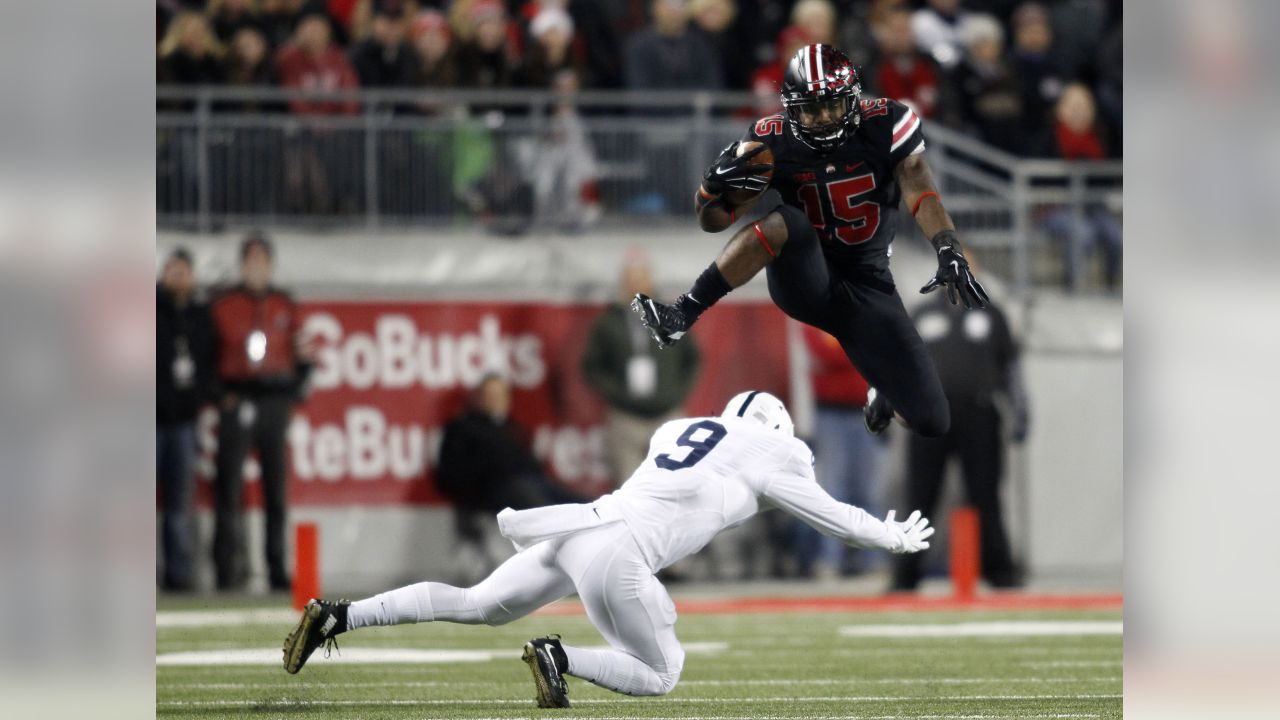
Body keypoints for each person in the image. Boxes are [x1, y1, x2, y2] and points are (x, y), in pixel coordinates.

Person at [283, 391, 936, 708]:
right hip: (620, 553)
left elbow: (714, 478)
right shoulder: (774, 450)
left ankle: (340, 615)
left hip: (579, 528)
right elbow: (831, 517)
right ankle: (558, 658)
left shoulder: (684, 428)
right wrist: (888, 535)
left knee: (477, 602)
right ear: (775, 430)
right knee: (661, 673)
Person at [633, 43, 990, 441]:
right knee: (786, 222)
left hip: (869, 283)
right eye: (810, 108)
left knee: (931, 420)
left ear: (852, 98)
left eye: (831, 106)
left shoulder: (888, 121)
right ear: (791, 106)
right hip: (807, 277)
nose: (821, 118)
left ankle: (884, 393)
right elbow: (714, 221)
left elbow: (920, 188)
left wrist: (947, 246)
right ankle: (684, 312)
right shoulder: (771, 141)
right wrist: (709, 189)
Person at [891, 257, 1028, 591]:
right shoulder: (922, 314)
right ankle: (906, 575)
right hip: (930, 417)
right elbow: (899, 365)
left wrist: (1020, 409)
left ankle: (999, 571)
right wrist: (891, 405)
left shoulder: (990, 314)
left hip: (978, 412)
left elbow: (1010, 368)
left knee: (985, 493)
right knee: (921, 496)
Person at [209, 233, 313, 591]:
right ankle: (227, 569)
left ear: (270, 265)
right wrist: (221, 395)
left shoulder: (285, 305)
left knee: (275, 490)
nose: (256, 268)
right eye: (250, 261)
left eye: (261, 261)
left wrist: (293, 393)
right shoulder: (223, 305)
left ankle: (276, 567)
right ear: (243, 265)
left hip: (273, 401)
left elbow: (305, 355)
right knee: (228, 489)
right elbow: (207, 355)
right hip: (237, 398)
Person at [582, 253, 700, 486]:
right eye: (631, 280)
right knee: (629, 487)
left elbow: (693, 358)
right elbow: (592, 367)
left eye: (640, 279)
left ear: (650, 282)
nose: (636, 286)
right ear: (623, 283)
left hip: (667, 413)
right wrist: (617, 394)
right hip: (626, 417)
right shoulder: (607, 323)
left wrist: (676, 392)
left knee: (674, 482)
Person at [796, 325, 886, 578]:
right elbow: (825, 354)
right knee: (833, 489)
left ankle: (872, 558)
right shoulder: (815, 318)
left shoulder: (863, 313)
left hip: (867, 411)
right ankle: (830, 559)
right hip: (831, 413)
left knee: (868, 491)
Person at [157, 249, 217, 592]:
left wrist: (196, 400)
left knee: (179, 504)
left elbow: (208, 362)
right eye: (173, 271)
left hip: (183, 420)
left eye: (183, 272)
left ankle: (178, 574)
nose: (178, 278)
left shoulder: (198, 314)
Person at [348, 6, 418, 87]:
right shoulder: (359, 55)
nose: (391, 29)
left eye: (396, 23)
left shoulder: (410, 55)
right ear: (373, 24)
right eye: (385, 23)